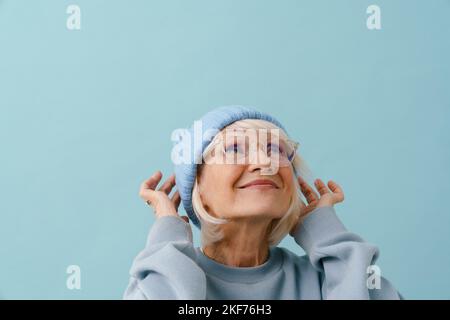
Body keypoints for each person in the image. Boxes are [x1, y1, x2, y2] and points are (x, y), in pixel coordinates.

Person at [124, 105, 402, 299]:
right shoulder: (163, 277)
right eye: (234, 148)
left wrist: (327, 233)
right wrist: (168, 230)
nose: (265, 162)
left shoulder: (332, 277)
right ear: (198, 187)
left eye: (276, 149)